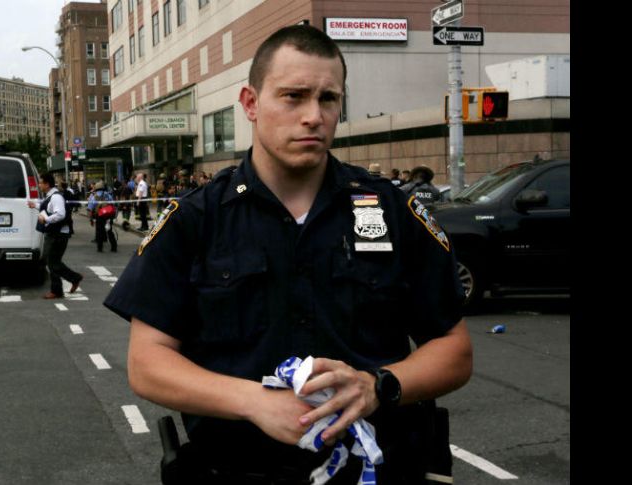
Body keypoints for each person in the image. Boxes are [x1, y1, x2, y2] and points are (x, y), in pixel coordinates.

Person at [104, 25, 471, 485]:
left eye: (328, 99)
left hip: (372, 472)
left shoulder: (391, 211)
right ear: (251, 103)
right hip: (234, 472)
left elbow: (454, 350)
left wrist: (379, 386)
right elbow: (147, 364)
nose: (313, 116)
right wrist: (253, 402)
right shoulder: (196, 219)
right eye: (293, 97)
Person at [29, 172, 82, 299]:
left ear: (47, 184)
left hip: (58, 235)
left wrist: (46, 220)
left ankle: (66, 284)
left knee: (51, 261)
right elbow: (49, 209)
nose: (39, 185)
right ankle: (69, 282)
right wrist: (35, 206)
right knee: (53, 261)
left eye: (41, 183)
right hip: (54, 233)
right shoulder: (51, 196)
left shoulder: (56, 197)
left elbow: (60, 214)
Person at [87, 181, 118, 253]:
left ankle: (100, 248)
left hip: (99, 216)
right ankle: (114, 247)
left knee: (99, 232)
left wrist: (91, 219)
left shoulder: (94, 197)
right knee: (109, 231)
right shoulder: (108, 195)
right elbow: (113, 205)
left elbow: (90, 209)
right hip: (108, 216)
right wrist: (114, 215)